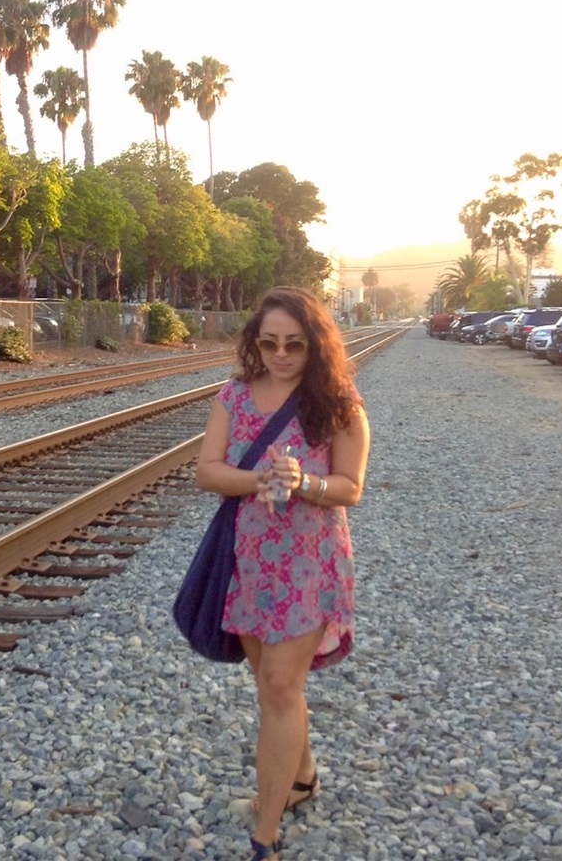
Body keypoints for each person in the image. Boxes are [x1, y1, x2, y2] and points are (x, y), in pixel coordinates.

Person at [194, 286, 371, 861]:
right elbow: (208, 471)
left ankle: (264, 834)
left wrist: (304, 485)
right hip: (248, 560)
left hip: (309, 562)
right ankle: (303, 777)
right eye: (269, 343)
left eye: (294, 344)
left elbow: (351, 486)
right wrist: (259, 483)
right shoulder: (235, 396)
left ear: (315, 344)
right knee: (270, 684)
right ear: (255, 343)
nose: (281, 355)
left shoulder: (339, 401)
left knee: (278, 685)